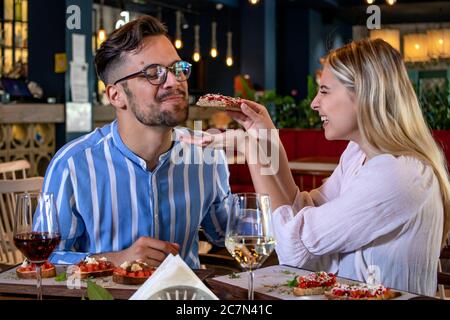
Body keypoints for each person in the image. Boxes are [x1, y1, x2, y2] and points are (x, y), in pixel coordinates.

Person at [182, 39, 450, 296]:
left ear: (364, 92)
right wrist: (268, 140)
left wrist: (251, 150)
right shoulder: (358, 154)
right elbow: (302, 208)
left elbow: (293, 250)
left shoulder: (397, 174)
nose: (314, 103)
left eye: (324, 90)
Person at [43, 15, 230, 268]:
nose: (175, 82)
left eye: (177, 69)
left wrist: (266, 162)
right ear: (117, 95)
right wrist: (115, 260)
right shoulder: (73, 165)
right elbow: (43, 260)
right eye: (154, 73)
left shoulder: (206, 153)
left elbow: (228, 235)